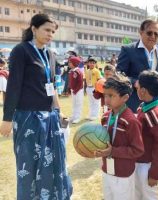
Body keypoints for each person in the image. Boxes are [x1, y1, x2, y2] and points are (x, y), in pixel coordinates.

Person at [0, 13, 72, 199]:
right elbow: (13, 86)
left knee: (54, 163)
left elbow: (53, 87)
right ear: (33, 28)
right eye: (47, 30)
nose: (50, 34)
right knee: (29, 167)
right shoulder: (21, 51)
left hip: (50, 119)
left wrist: (59, 110)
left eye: (53, 31)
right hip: (27, 119)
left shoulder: (50, 54)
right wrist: (7, 119)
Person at [94, 74, 144, 200]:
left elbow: (138, 150)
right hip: (107, 169)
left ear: (125, 97)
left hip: (123, 173)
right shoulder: (105, 117)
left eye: (111, 96)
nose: (106, 100)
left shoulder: (131, 121)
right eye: (105, 95)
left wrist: (113, 151)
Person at [134, 70, 158, 200]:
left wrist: (155, 174)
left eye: (137, 86)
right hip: (139, 161)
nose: (135, 87)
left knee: (148, 196)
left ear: (143, 90)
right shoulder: (145, 106)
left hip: (146, 166)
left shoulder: (154, 114)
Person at [118, 19, 158, 113]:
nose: (153, 36)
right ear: (141, 32)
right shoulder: (128, 50)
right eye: (149, 33)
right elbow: (119, 75)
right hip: (132, 104)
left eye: (156, 34)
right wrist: (136, 82)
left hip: (155, 106)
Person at [68, 56, 84, 124]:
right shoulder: (72, 71)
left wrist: (76, 90)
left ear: (74, 63)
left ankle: (77, 117)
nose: (69, 64)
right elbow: (71, 82)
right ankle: (73, 116)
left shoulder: (78, 71)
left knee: (78, 104)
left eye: (70, 62)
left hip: (78, 91)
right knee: (74, 103)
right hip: (73, 90)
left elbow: (80, 83)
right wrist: (70, 89)